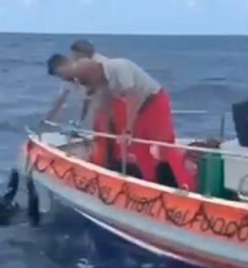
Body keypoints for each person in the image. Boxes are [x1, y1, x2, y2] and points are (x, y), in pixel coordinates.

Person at [48, 55, 194, 189]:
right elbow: (105, 104)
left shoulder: (119, 67)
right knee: (139, 149)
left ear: (94, 73)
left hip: (154, 100)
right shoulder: (102, 80)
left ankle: (185, 185)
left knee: (164, 146)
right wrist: (107, 129)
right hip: (140, 110)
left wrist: (128, 130)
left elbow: (132, 98)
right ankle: (150, 183)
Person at [44, 40, 108, 124]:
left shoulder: (93, 65)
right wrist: (48, 120)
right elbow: (60, 99)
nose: (62, 78)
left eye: (60, 74)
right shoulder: (70, 75)